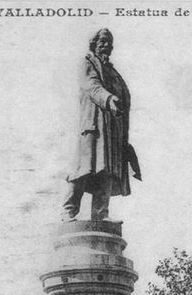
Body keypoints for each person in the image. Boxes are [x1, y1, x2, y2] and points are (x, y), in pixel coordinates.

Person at [62, 28, 141, 222]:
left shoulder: (114, 73)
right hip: (94, 126)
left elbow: (125, 97)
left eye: (110, 42)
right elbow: (91, 86)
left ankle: (100, 215)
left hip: (113, 129)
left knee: (107, 171)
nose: (107, 45)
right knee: (83, 169)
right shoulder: (87, 63)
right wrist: (109, 98)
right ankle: (68, 211)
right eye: (103, 41)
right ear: (94, 43)